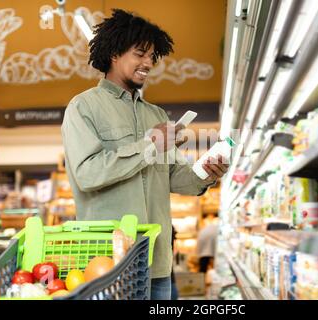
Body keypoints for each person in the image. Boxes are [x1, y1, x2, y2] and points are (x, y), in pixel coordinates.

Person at [61, 9, 229, 300]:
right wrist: (150, 145)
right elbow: (87, 173)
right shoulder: (83, 108)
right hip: (109, 264)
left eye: (152, 56)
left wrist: (205, 173)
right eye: (140, 54)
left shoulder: (157, 114)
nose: (148, 63)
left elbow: (176, 178)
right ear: (114, 53)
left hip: (157, 261)